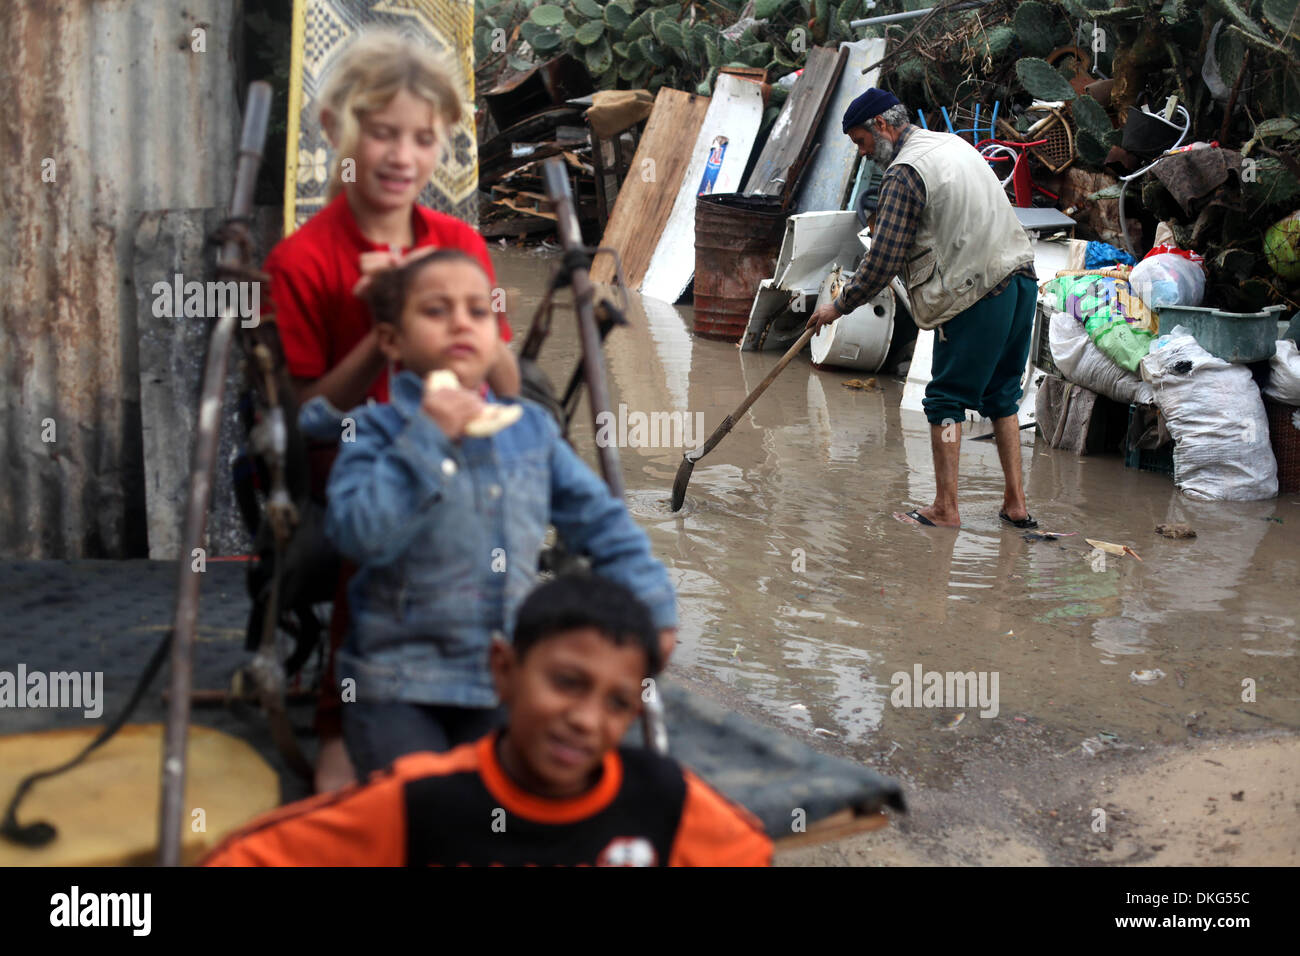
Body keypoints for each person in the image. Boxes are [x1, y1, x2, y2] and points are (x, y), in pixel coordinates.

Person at [262, 29, 520, 791]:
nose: (401, 155)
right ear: (336, 130)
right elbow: (303, 417)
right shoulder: (302, 261)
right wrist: (383, 333)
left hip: (461, 444)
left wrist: (449, 310)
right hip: (348, 456)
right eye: (381, 132)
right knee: (388, 518)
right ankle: (344, 720)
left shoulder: (459, 243)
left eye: (422, 138)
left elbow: (506, 382)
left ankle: (484, 701)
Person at [324, 248, 679, 778]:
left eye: (477, 311)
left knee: (511, 801)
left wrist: (654, 604)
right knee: (422, 804)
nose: (460, 324)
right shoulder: (372, 434)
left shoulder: (530, 433)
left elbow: (602, 522)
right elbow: (359, 537)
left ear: (496, 339)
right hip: (394, 681)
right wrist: (427, 440)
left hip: (504, 680)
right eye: (436, 311)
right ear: (394, 341)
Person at [202, 574, 769, 867]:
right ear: (504, 670)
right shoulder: (422, 802)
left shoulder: (664, 800)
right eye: (566, 683)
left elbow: (747, 852)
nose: (586, 721)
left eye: (617, 703)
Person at [806, 89, 1039, 530]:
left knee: (946, 403)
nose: (865, 154)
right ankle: (1016, 504)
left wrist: (838, 306)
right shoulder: (952, 144)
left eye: (861, 142)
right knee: (1002, 397)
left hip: (976, 294)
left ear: (881, 126)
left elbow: (883, 260)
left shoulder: (905, 173)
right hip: (1022, 280)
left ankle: (945, 507)